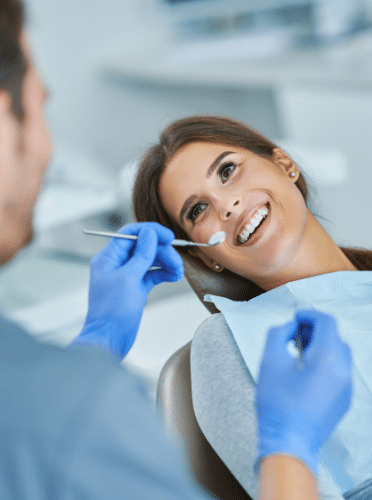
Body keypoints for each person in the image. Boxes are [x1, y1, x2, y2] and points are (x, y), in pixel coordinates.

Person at [0, 2, 353, 498]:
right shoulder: (220, 355)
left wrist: (99, 342)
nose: (45, 148)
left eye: (228, 170)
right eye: (37, 107)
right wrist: (289, 448)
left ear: (285, 164)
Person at [132, 115, 372, 499]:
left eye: (227, 171)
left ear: (284, 165)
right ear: (208, 259)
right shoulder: (229, 342)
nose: (227, 205)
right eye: (198, 211)